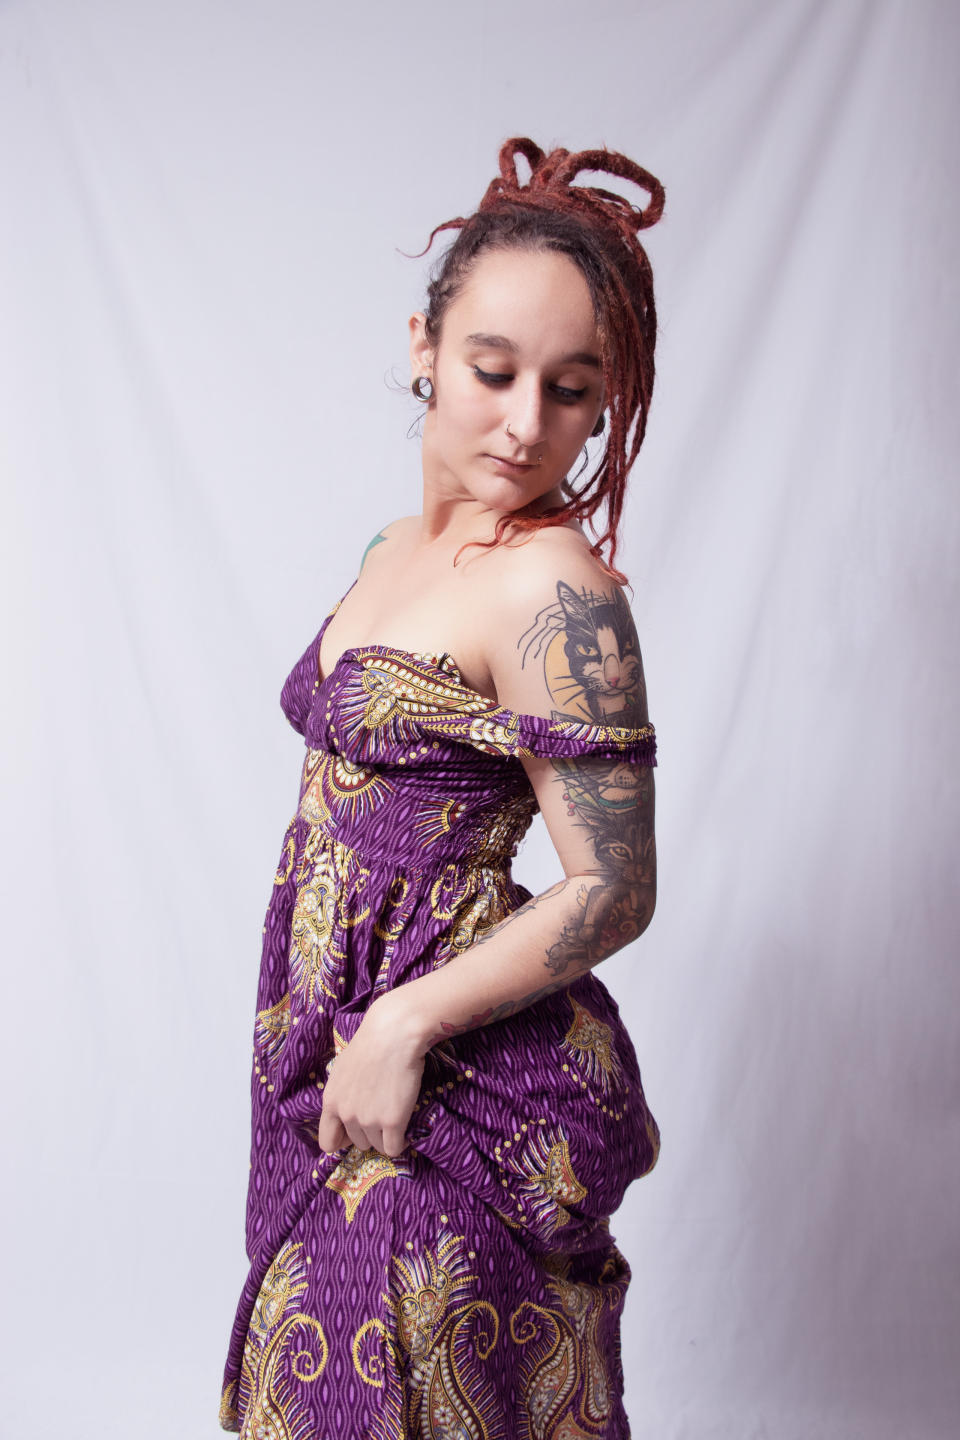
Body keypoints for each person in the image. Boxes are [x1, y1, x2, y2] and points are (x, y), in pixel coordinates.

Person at [219, 135, 665, 1439]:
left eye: (571, 391)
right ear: (424, 346)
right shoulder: (395, 549)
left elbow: (616, 885)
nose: (527, 424)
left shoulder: (552, 587)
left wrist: (405, 1027)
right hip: (323, 1036)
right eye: (493, 370)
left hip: (448, 1072)